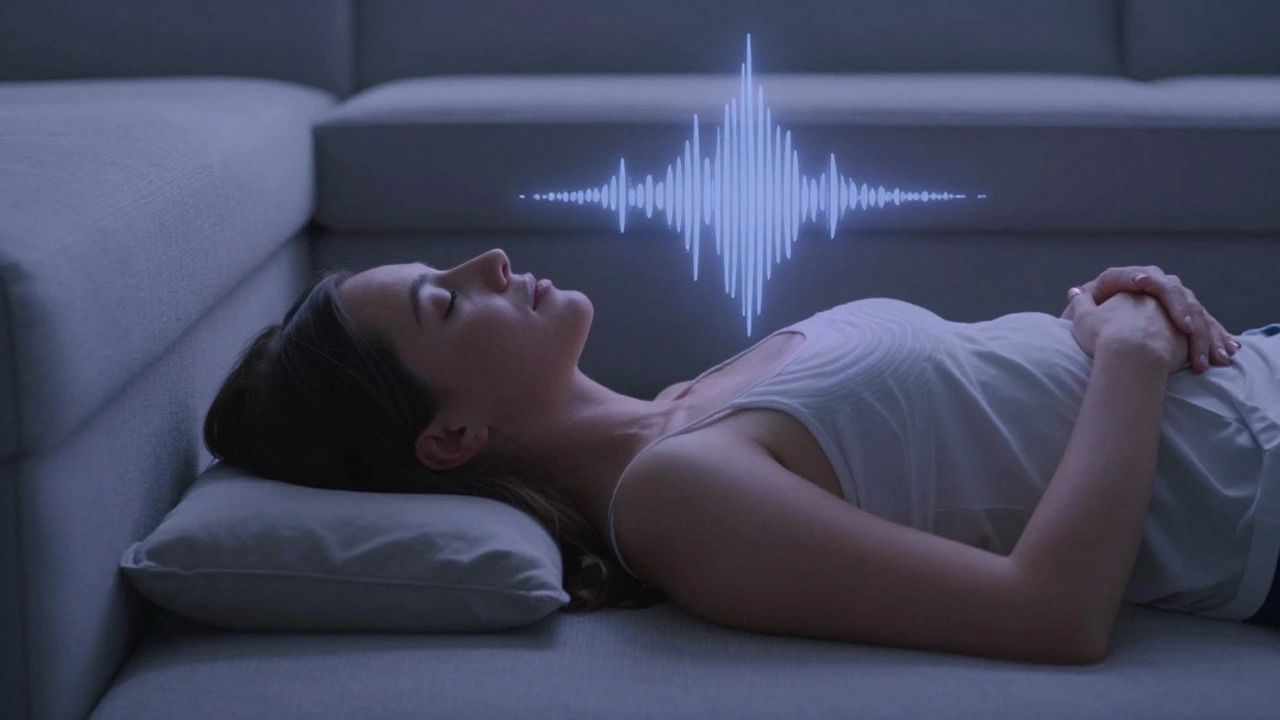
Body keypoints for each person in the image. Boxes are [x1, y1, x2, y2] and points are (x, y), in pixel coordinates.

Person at [202, 248, 1280, 664]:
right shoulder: (675, 496)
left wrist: (1116, 305)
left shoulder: (689, 400)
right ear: (450, 439)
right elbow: (1047, 614)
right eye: (447, 300)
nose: (487, 260)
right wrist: (1129, 353)